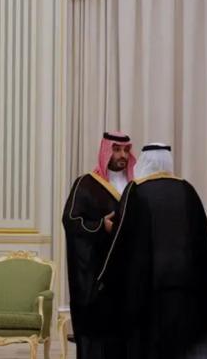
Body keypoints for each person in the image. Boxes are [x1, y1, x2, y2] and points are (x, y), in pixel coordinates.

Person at [96, 143, 207, 359]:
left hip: (148, 285)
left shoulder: (136, 190)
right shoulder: (187, 190)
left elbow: (122, 238)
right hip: (185, 283)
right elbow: (201, 240)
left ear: (144, 162)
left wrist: (104, 276)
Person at [62, 131, 136, 359]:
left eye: (126, 150)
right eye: (117, 150)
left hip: (128, 273)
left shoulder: (136, 185)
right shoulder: (86, 184)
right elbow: (71, 220)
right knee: (97, 335)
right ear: (106, 152)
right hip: (96, 276)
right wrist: (100, 226)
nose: (122, 155)